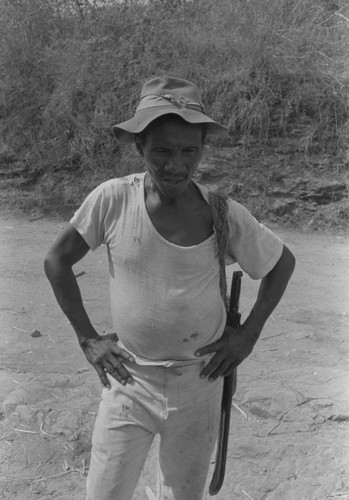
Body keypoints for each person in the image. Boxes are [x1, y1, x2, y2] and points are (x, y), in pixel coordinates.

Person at [44, 76, 295, 500]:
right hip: (127, 379)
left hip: (200, 382)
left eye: (188, 151)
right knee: (104, 492)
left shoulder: (221, 213)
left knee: (182, 494)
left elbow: (281, 263)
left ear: (202, 150)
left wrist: (248, 335)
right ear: (140, 147)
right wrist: (88, 338)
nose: (175, 165)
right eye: (161, 150)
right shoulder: (113, 200)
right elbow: (56, 261)